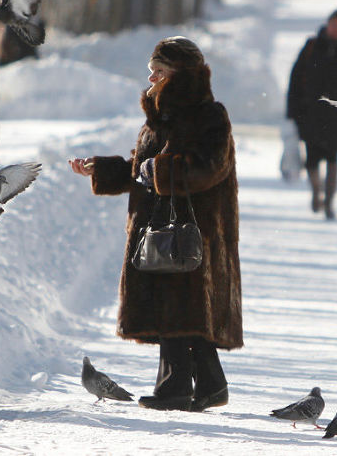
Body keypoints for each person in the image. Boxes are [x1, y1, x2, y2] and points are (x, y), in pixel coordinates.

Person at [69, 37, 242, 412]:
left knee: (179, 307)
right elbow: (139, 171)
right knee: (183, 308)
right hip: (160, 228)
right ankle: (211, 385)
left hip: (196, 230)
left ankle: (174, 388)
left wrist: (160, 170)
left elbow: (210, 167)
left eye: (159, 70)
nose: (151, 76)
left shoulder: (209, 115)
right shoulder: (159, 118)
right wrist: (103, 168)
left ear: (181, 75)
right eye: (152, 68)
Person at [287, 9, 337, 220]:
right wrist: (292, 110)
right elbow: (295, 79)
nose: (336, 29)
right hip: (310, 112)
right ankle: (316, 191)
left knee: (333, 157)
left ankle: (330, 202)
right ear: (327, 25)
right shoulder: (312, 47)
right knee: (312, 157)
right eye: (334, 24)